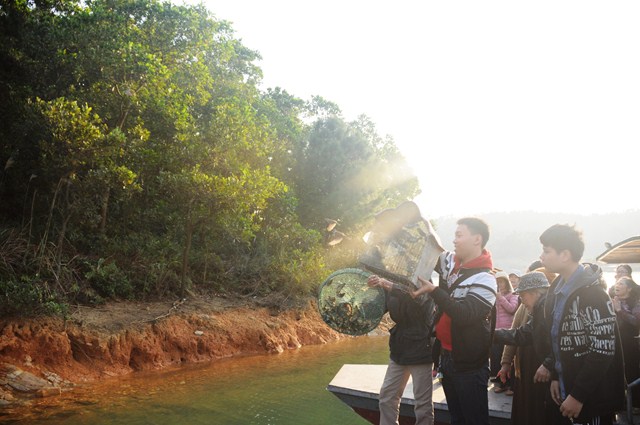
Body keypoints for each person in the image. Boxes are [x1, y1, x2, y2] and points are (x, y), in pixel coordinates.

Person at [412, 217, 497, 425]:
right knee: (456, 418)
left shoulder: (486, 280)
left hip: (469, 364)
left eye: (459, 235)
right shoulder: (450, 262)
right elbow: (428, 249)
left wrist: (435, 291)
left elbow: (465, 314)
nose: (454, 240)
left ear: (477, 239)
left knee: (474, 420)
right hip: (446, 357)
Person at [539, 224, 624, 425]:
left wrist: (578, 395)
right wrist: (554, 375)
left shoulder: (593, 294)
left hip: (590, 398)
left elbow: (602, 350)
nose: (541, 256)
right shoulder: (556, 290)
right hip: (564, 389)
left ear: (565, 255)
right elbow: (557, 339)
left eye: (546, 251)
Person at [367, 274, 435, 425]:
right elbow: (376, 308)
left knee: (422, 403)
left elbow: (415, 297)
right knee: (387, 397)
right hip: (399, 349)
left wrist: (388, 284)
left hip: (421, 349)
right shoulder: (393, 283)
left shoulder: (425, 282)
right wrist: (373, 288)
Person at [494, 271, 554, 425]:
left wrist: (548, 364)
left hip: (540, 370)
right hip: (528, 369)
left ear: (535, 292)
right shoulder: (535, 308)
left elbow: (521, 335)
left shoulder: (547, 309)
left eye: (523, 295)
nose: (521, 300)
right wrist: (506, 362)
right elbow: (518, 334)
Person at [612, 276, 640, 407]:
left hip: (630, 343)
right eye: (617, 283)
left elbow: (636, 322)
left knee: (631, 372)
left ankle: (635, 404)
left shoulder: (636, 302)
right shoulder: (611, 300)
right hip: (615, 342)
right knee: (616, 372)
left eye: (621, 284)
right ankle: (620, 403)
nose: (617, 285)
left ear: (629, 288)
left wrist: (619, 310)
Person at [490, 270, 519, 394]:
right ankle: (499, 380)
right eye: (498, 282)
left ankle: (507, 384)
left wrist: (500, 298)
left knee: (506, 359)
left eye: (502, 282)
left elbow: (512, 309)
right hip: (496, 331)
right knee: (496, 357)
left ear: (507, 283)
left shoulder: (513, 295)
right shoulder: (494, 295)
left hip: (508, 331)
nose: (500, 284)